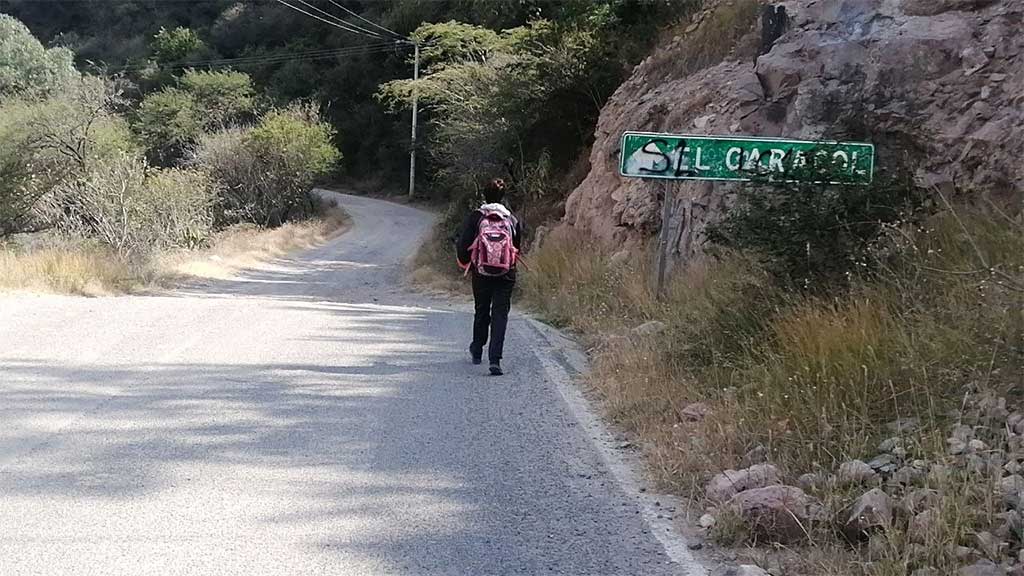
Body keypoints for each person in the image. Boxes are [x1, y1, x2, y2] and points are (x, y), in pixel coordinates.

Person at [456, 178, 524, 376]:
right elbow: (517, 247)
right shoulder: (511, 218)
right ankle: (495, 360)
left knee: (482, 309)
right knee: (500, 314)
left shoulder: (476, 217)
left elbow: (463, 244)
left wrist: (465, 263)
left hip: (481, 272)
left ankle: (477, 349)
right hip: (506, 273)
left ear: (484, 195)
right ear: (503, 197)